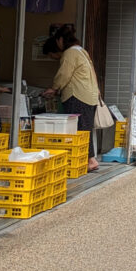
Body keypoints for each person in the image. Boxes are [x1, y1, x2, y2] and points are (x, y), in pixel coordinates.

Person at [43, 25, 104, 172]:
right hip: (89, 95)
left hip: (77, 95)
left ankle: (89, 160)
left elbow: (64, 74)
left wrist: (54, 88)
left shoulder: (69, 53)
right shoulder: (81, 50)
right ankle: (89, 159)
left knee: (78, 129)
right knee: (85, 129)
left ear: (60, 40)